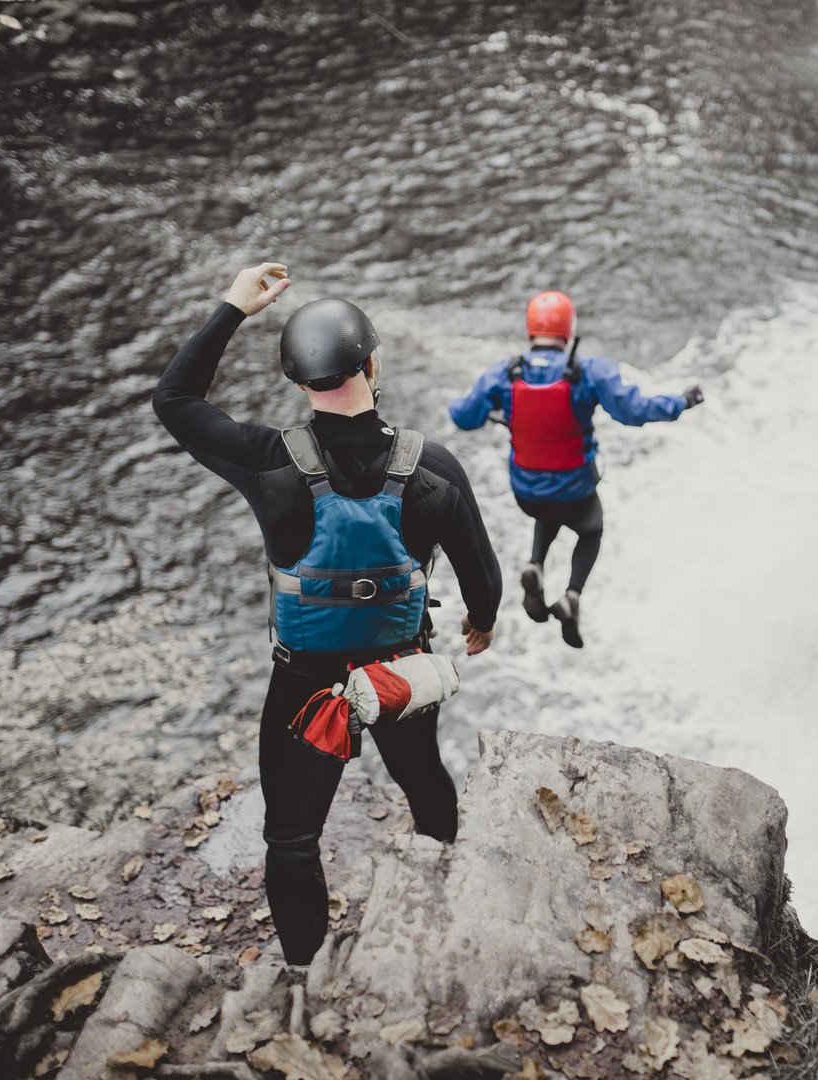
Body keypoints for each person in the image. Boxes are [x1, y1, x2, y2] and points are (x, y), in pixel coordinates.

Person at [152, 262, 501, 971]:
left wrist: (232, 308)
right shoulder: (433, 467)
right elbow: (482, 578)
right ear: (372, 362)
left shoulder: (265, 461)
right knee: (425, 783)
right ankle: (433, 914)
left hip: (305, 682)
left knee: (291, 836)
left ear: (297, 381)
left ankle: (306, 972)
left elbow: (175, 399)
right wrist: (482, 624)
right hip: (402, 670)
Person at [449, 290, 702, 648]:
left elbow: (463, 416)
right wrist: (682, 401)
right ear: (568, 329)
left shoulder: (504, 373)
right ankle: (571, 596)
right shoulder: (589, 371)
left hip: (527, 493)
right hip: (576, 491)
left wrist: (492, 410)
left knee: (548, 503)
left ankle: (535, 565)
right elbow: (634, 411)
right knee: (591, 529)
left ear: (530, 329)